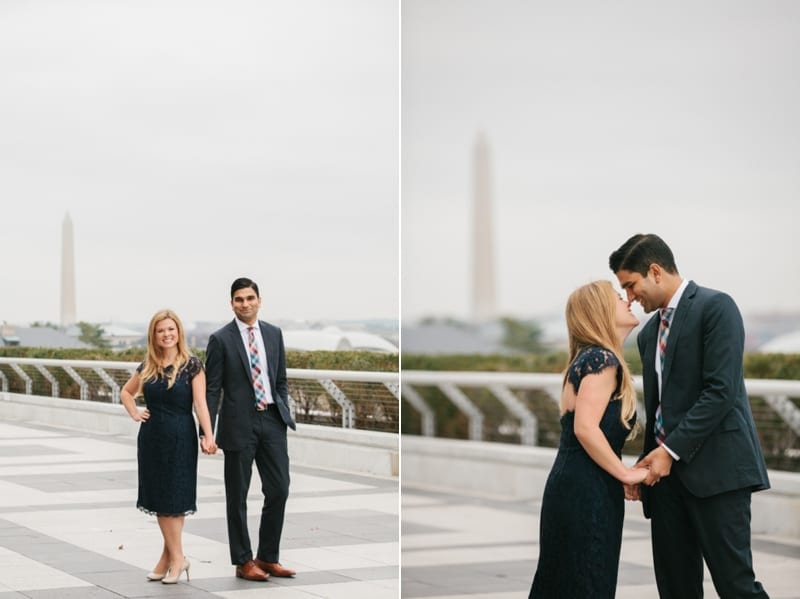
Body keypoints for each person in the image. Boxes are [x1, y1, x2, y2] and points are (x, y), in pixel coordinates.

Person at [609, 233, 771, 598]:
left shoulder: (717, 307)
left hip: (718, 475)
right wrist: (646, 463)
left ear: (655, 271)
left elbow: (721, 391)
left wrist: (669, 452)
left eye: (631, 286)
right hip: (665, 484)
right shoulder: (648, 333)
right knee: (675, 589)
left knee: (736, 586)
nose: (631, 298)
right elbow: (663, 410)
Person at [529, 280, 649, 598]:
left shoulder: (586, 359)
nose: (626, 299)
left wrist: (615, 473)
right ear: (600, 312)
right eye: (616, 297)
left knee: (563, 582)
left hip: (574, 484)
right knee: (587, 581)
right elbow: (585, 428)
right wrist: (625, 473)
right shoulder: (602, 361)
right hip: (588, 491)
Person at [204, 276, 297, 582]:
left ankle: (268, 557)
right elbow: (212, 389)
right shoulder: (221, 339)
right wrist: (208, 431)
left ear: (259, 300)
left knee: (279, 489)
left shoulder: (273, 333)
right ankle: (243, 561)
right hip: (237, 425)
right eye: (239, 299)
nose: (245, 303)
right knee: (237, 496)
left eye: (249, 298)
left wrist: (282, 410)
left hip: (272, 421)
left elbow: (280, 379)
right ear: (232, 303)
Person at [120, 309, 217, 585]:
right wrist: (135, 412)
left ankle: (175, 560)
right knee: (162, 499)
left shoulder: (193, 365)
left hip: (181, 437)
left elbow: (201, 404)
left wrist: (208, 435)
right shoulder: (147, 365)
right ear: (154, 335)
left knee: (174, 500)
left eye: (171, 329)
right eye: (161, 330)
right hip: (152, 439)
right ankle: (174, 559)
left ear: (179, 333)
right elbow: (126, 392)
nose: (166, 334)